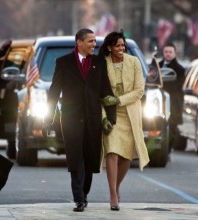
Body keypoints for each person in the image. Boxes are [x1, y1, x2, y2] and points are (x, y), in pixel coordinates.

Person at [43, 29, 116, 212]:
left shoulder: (99, 63)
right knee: (76, 158)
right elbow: (54, 92)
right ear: (79, 42)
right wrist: (48, 119)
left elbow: (106, 91)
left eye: (95, 41)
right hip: (70, 119)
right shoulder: (63, 62)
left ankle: (84, 193)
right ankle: (79, 198)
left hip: (93, 118)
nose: (94, 45)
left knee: (90, 158)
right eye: (90, 41)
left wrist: (111, 117)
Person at [99, 31, 150, 211]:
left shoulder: (134, 62)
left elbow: (139, 91)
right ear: (110, 47)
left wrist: (119, 100)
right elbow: (100, 95)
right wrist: (104, 117)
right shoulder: (102, 64)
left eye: (123, 45)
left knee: (127, 156)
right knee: (112, 151)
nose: (121, 49)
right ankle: (113, 193)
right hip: (111, 114)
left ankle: (117, 185)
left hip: (129, 114)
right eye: (117, 46)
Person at [159, 42, 185, 154]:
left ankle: (167, 151)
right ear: (163, 53)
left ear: (175, 53)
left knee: (172, 127)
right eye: (166, 52)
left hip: (173, 103)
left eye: (170, 52)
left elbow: (177, 85)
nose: (168, 54)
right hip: (157, 102)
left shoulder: (179, 69)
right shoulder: (156, 66)